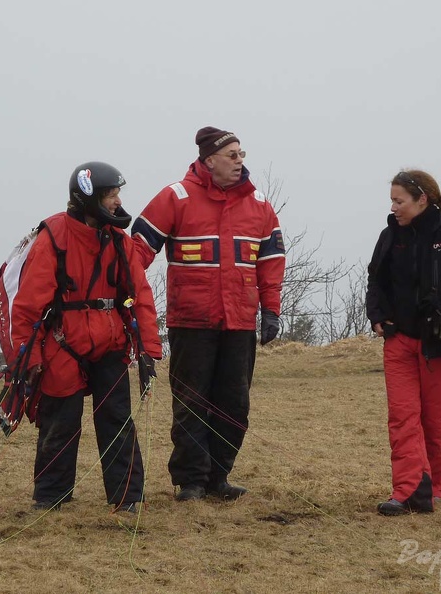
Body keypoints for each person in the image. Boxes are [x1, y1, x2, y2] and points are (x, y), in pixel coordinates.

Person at [131, 126, 285, 502]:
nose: (239, 162)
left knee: (234, 402)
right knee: (191, 401)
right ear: (209, 160)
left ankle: (219, 477)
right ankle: (191, 481)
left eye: (242, 155)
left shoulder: (260, 204)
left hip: (239, 322)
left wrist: (271, 311)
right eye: (232, 155)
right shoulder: (175, 197)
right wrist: (130, 298)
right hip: (191, 321)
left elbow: (272, 260)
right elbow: (136, 250)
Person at [8, 161, 162, 515]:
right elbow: (28, 306)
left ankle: (127, 497)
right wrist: (27, 360)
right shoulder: (54, 238)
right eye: (111, 195)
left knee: (118, 420)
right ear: (89, 198)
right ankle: (50, 496)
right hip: (64, 345)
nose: (117, 201)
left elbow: (140, 295)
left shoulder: (119, 241)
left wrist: (149, 349)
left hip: (110, 343)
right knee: (60, 422)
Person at [366, 169, 441, 516]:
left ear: (422, 200)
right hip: (399, 341)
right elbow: (376, 281)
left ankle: (434, 488)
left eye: (399, 201)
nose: (393, 207)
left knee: (435, 422)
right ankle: (408, 490)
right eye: (391, 200)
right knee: (403, 418)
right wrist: (377, 316)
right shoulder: (389, 236)